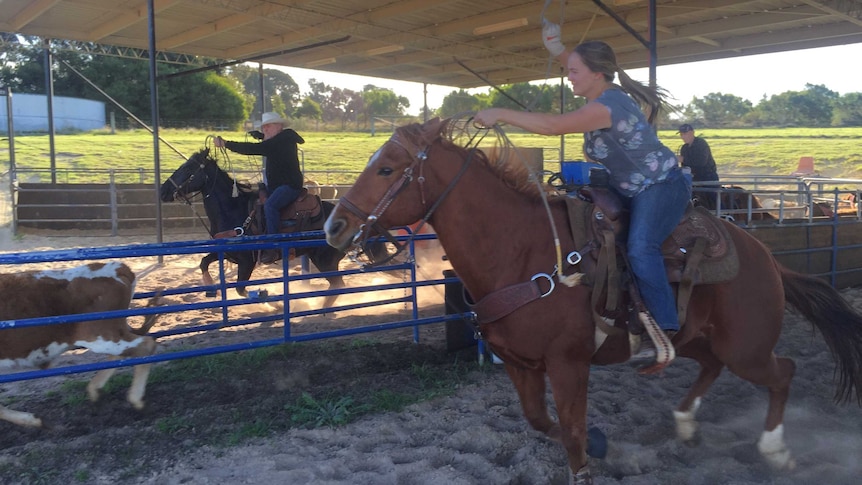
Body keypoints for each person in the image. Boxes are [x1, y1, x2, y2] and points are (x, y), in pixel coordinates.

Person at [474, 20, 691, 367]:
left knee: (640, 246)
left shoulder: (607, 107)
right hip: (631, 189)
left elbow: (552, 127)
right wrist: (558, 49)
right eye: (569, 70)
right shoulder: (601, 95)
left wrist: (500, 112)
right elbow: (575, 69)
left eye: (575, 71)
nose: (569, 76)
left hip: (661, 186)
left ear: (596, 74)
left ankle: (663, 329)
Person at [214, 112, 306, 264]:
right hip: (278, 185)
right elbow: (269, 142)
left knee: (270, 205)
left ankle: (274, 245)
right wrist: (262, 136)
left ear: (279, 126)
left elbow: (254, 148)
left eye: (268, 127)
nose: (265, 130)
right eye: (264, 127)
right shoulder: (282, 139)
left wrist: (226, 144)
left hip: (290, 186)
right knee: (255, 200)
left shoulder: (282, 141)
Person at [677, 123, 720, 209]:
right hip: (694, 178)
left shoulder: (701, 144)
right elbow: (685, 166)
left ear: (692, 133)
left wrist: (683, 159)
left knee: (713, 196)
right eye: (682, 134)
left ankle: (725, 214)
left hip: (708, 176)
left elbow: (701, 162)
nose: (683, 137)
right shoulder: (684, 148)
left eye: (685, 134)